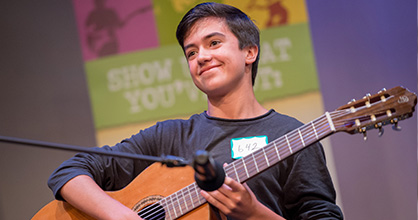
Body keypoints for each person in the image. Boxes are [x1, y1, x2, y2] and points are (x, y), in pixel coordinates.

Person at [48, 2, 343, 219]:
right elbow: (69, 171)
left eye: (214, 43)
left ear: (249, 52)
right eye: (191, 52)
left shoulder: (293, 135)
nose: (202, 57)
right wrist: (120, 216)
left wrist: (254, 214)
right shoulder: (169, 136)